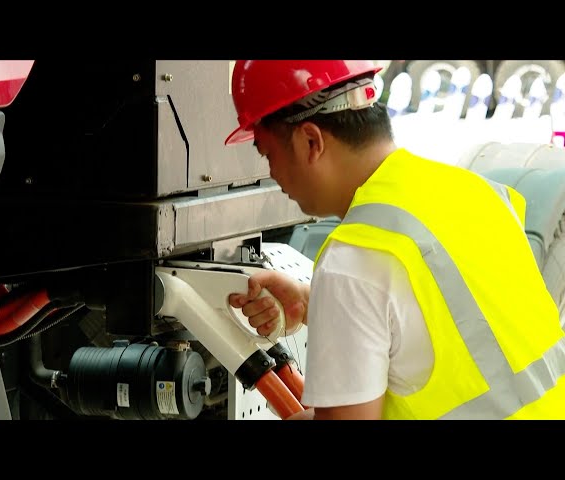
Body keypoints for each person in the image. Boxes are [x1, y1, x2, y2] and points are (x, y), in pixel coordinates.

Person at [224, 60, 565, 420]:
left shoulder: (353, 259)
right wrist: (313, 304)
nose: (272, 174)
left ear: (311, 141)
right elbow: (460, 331)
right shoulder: (474, 191)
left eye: (267, 154)